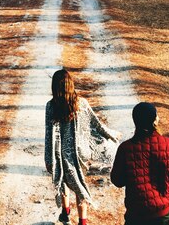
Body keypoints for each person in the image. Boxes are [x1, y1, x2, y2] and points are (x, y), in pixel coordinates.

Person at [45, 69, 120, 225]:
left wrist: (48, 158)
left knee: (64, 180)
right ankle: (82, 221)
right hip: (82, 153)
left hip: (61, 154)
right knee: (80, 183)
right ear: (71, 85)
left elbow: (49, 134)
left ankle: (65, 212)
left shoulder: (51, 106)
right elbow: (96, 124)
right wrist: (110, 134)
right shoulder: (82, 103)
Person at [110, 102, 169, 225]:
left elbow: (117, 180)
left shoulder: (125, 148)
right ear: (154, 121)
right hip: (161, 214)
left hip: (135, 214)